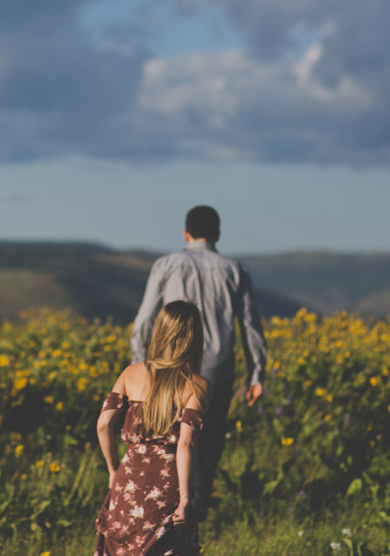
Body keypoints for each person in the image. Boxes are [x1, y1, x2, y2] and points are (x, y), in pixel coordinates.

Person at [130, 205, 267, 502]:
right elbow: (250, 325)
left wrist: (140, 365)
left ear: (185, 233)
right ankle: (200, 494)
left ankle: (172, 496)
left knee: (170, 434)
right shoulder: (235, 269)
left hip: (170, 368)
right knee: (212, 433)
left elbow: (144, 320)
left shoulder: (166, 265)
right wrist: (257, 374)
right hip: (218, 368)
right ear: (217, 234)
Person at [95, 301, 210, 556]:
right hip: (168, 487)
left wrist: (114, 470)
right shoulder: (197, 385)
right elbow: (186, 444)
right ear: (194, 338)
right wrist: (185, 500)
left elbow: (103, 424)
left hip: (128, 482)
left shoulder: (130, 374)